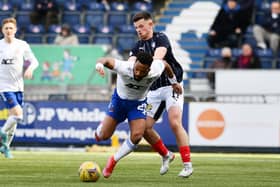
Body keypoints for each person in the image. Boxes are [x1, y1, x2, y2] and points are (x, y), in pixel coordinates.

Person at [94, 51, 182, 178]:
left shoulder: (155, 70)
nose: (138, 73)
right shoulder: (125, 67)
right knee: (104, 136)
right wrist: (99, 65)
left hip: (137, 105)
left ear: (149, 69)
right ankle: (99, 131)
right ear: (134, 64)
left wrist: (173, 82)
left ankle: (113, 161)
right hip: (119, 102)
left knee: (137, 135)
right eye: (137, 70)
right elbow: (104, 60)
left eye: (143, 71)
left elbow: (166, 64)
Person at [129, 11, 193, 177]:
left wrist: (173, 82)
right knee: (143, 128)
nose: (139, 30)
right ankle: (166, 155)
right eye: (136, 28)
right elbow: (130, 66)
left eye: (141, 26)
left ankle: (187, 164)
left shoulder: (161, 38)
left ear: (151, 24)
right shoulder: (137, 47)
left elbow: (159, 60)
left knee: (174, 123)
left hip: (173, 85)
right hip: (153, 90)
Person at [0, 18, 39, 158]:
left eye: (11, 28)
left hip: (19, 87)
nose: (8, 31)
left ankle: (6, 147)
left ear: (15, 30)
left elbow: (35, 61)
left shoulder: (22, 45)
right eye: (6, 28)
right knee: (18, 114)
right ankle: (2, 133)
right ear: (2, 30)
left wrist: (30, 69)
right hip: (4, 87)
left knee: (14, 119)